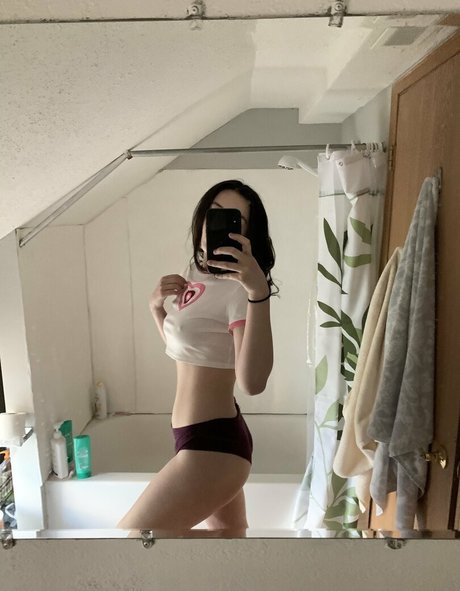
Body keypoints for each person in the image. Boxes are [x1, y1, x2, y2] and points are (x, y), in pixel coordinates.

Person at [117, 179, 277, 534]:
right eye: (214, 213)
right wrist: (156, 307)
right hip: (193, 438)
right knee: (228, 545)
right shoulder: (194, 272)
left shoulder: (240, 289)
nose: (216, 224)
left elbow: (252, 383)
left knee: (129, 541)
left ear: (246, 234)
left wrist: (258, 292)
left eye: (234, 219)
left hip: (214, 446)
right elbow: (188, 351)